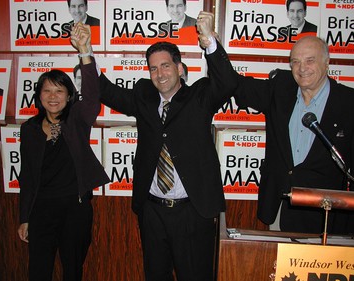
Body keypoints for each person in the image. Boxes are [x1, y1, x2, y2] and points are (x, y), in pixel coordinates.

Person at [71, 11, 236, 280]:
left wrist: (209, 40)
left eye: (166, 66)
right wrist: (86, 51)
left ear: (180, 68)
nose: (160, 74)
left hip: (193, 212)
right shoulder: (144, 96)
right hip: (152, 212)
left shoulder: (200, 96)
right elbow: (105, 90)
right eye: (153, 68)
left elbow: (228, 83)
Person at [201, 35, 354, 234]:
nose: (302, 68)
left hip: (327, 218)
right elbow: (235, 84)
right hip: (280, 210)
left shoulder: (349, 103)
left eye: (310, 60)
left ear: (327, 63)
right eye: (295, 62)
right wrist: (211, 45)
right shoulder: (280, 89)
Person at [17, 31, 109, 281]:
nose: (53, 97)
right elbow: (27, 177)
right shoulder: (29, 129)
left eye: (59, 91)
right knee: (38, 270)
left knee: (72, 270)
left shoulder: (77, 119)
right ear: (39, 96)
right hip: (41, 210)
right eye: (47, 91)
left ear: (69, 96)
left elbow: (91, 95)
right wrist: (24, 218)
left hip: (75, 208)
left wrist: (85, 53)